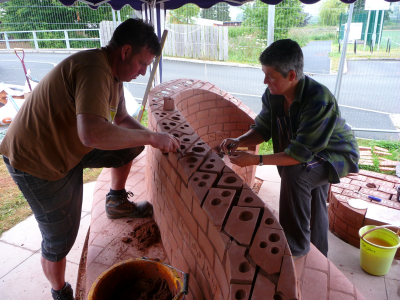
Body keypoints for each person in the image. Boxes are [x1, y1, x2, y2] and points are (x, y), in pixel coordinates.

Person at [0, 19, 180, 300]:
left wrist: (152, 136)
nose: (144, 72)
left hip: (68, 148)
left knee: (130, 146)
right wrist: (153, 138)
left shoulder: (114, 75)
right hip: (37, 160)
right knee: (60, 238)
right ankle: (60, 292)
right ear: (125, 51)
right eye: (142, 64)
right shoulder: (94, 68)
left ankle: (116, 201)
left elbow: (120, 119)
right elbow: (92, 134)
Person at [220, 39, 359, 260]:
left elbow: (299, 155)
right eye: (264, 74)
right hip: (311, 150)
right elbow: (263, 128)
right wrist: (239, 140)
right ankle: (319, 254)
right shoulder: (274, 94)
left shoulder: (318, 100)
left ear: (292, 76)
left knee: (297, 174)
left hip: (336, 155)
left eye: (271, 76)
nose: (265, 81)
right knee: (312, 193)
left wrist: (255, 161)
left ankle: (295, 247)